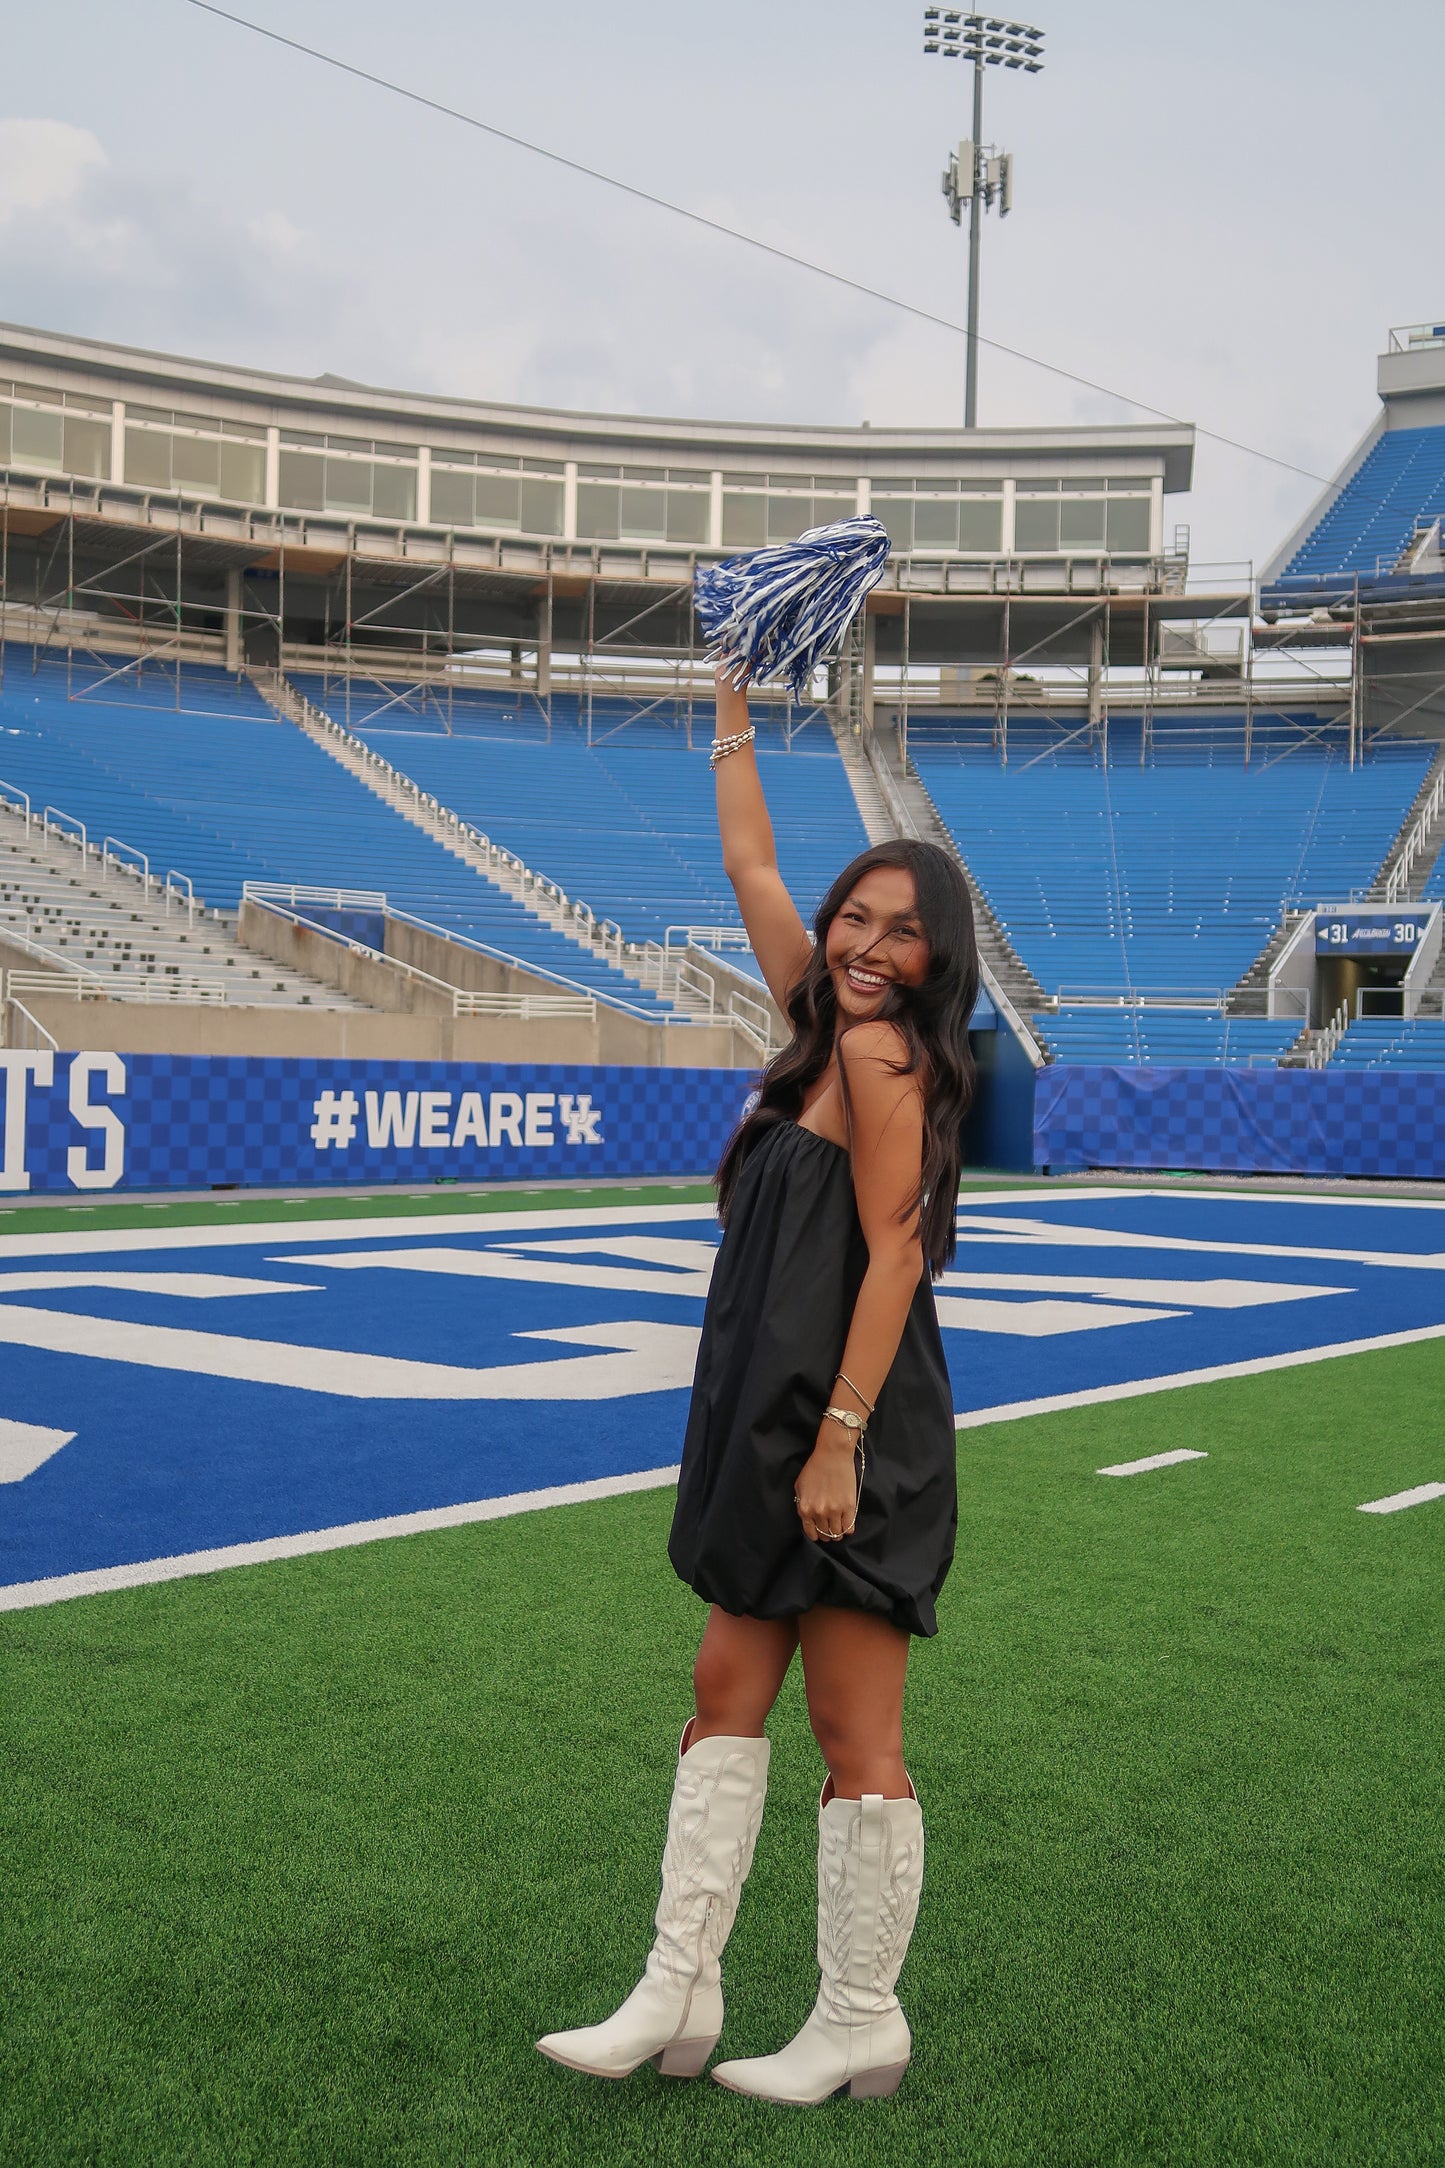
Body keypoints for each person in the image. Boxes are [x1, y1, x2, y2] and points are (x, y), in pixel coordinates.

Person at [537, 670, 978, 2106]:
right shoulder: (813, 1018)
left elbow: (899, 1257)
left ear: (936, 960)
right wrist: (732, 706)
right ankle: (678, 1991)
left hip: (848, 1425)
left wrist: (840, 1439)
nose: (862, 947)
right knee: (721, 1687)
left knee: (855, 1734)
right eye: (854, 918)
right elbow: (747, 862)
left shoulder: (877, 1053)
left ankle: (859, 2016)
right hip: (761, 1413)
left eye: (898, 935)